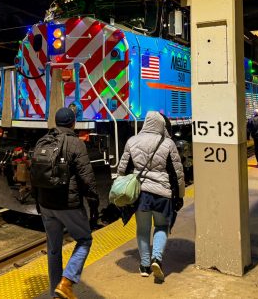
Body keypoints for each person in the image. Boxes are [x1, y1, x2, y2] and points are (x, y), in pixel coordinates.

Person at [33, 107, 99, 299]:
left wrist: (38, 201)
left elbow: (34, 175)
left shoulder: (42, 141)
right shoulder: (76, 144)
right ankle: (66, 282)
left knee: (54, 249)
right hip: (68, 205)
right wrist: (93, 203)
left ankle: (56, 293)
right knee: (85, 240)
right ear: (73, 123)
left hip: (46, 204)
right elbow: (87, 179)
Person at [116, 111, 185, 281]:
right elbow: (178, 173)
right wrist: (180, 195)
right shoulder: (168, 143)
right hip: (162, 194)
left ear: (145, 123)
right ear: (161, 124)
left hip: (141, 194)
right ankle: (157, 259)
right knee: (161, 226)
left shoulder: (132, 141)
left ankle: (145, 265)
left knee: (142, 230)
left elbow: (122, 170)